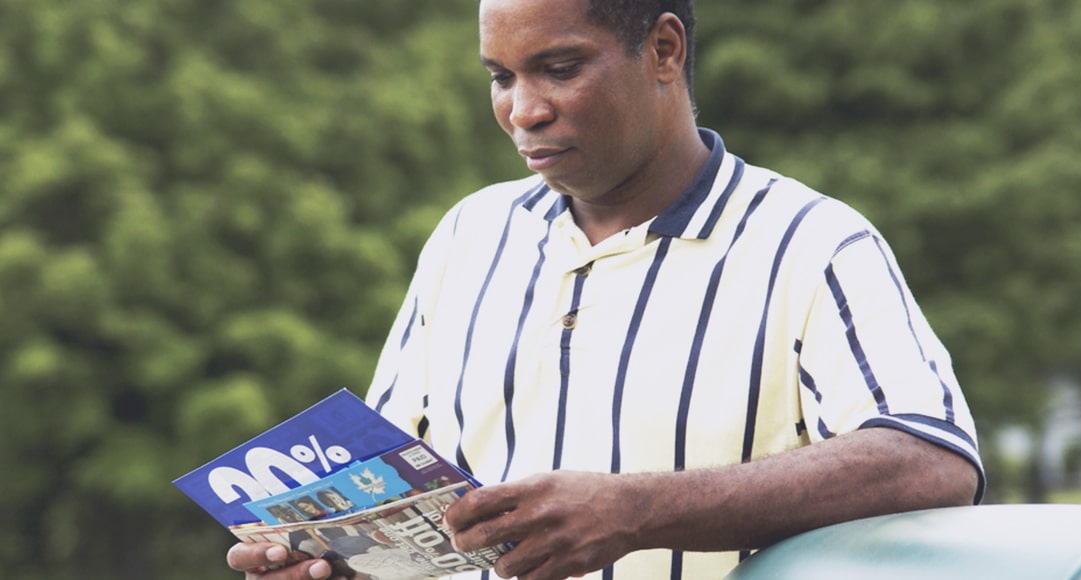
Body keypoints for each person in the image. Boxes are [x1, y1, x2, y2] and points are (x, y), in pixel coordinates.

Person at [227, 0, 983, 578]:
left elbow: (929, 459)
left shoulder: (810, 241)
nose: (523, 110)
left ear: (663, 50)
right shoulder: (469, 233)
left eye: (559, 69)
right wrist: (333, 559)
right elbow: (392, 490)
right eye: (501, 76)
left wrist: (637, 510)